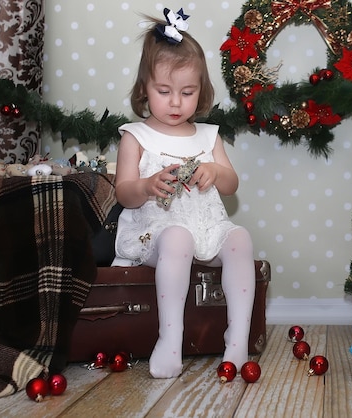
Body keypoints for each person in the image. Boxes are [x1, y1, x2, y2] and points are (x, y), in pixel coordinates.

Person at [112, 7, 256, 379]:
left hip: (206, 226)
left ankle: (237, 341)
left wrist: (215, 171)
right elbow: (124, 193)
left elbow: (232, 185)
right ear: (145, 88)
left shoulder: (208, 136)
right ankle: (170, 339)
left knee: (240, 239)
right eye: (164, 91)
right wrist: (146, 185)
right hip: (157, 228)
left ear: (201, 91)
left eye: (187, 92)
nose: (176, 102)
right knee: (178, 239)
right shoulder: (135, 136)